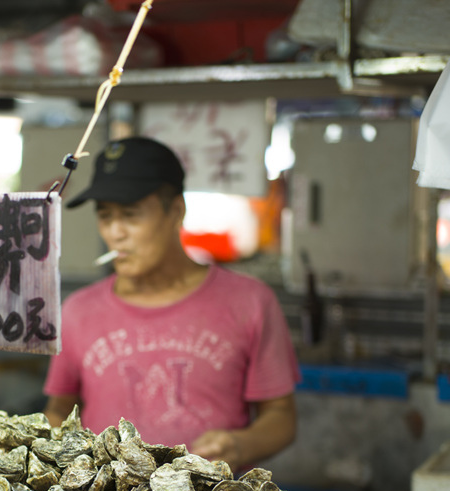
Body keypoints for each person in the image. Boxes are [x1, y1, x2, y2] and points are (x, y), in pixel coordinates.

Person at [43, 136, 301, 473]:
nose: (115, 232)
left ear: (176, 210)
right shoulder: (78, 310)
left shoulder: (250, 302)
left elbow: (281, 416)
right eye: (105, 216)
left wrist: (240, 444)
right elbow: (60, 409)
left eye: (131, 215)